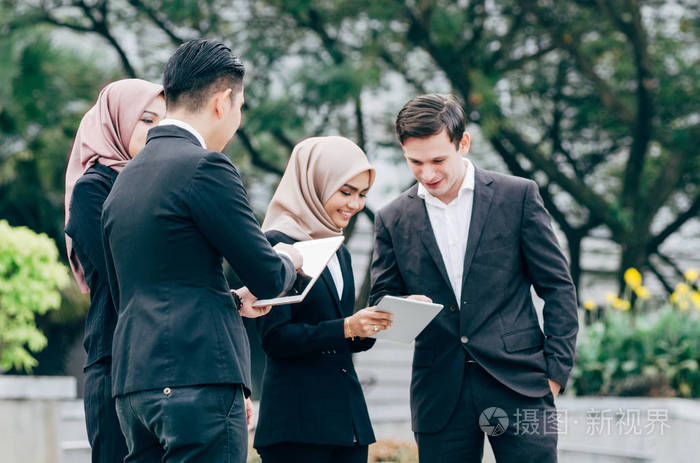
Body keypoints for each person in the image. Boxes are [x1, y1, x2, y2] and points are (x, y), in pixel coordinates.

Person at [101, 39, 302, 463]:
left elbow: (140, 288)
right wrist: (293, 260)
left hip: (134, 384)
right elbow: (266, 274)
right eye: (240, 106)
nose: (237, 119)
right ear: (222, 101)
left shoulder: (123, 180)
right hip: (196, 378)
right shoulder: (204, 166)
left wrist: (230, 299)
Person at [370, 94, 579, 462]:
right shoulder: (392, 217)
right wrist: (402, 309)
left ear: (463, 143)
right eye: (415, 162)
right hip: (438, 391)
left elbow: (558, 286)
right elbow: (380, 298)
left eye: (438, 160)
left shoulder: (518, 196)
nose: (428, 174)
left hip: (520, 383)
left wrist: (556, 373)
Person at [253, 136, 392, 463]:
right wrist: (345, 328)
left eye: (362, 195)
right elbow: (274, 338)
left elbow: (339, 331)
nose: (355, 205)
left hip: (348, 424)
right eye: (345, 192)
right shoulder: (277, 244)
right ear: (313, 184)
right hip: (298, 424)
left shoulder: (338, 249)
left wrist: (369, 326)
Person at [64, 78, 165, 463]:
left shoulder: (157, 187)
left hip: (160, 362)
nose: (158, 132)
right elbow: (125, 274)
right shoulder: (94, 189)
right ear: (115, 122)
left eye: (164, 122)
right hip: (116, 361)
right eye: (147, 119)